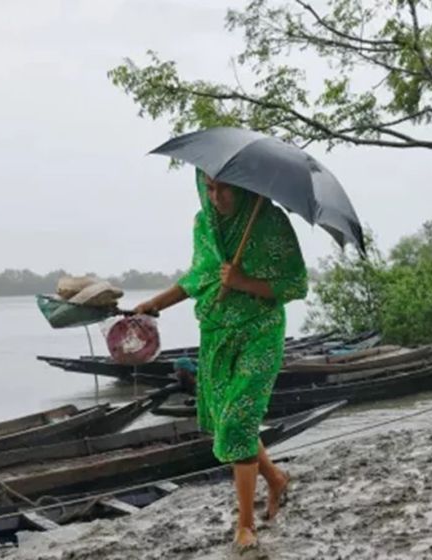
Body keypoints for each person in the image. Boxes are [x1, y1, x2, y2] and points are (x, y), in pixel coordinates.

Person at [136, 169, 308, 549]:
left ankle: (245, 525)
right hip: (216, 335)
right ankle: (277, 479)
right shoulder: (205, 223)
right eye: (210, 188)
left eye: (225, 188)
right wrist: (154, 303)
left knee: (239, 419)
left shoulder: (270, 221)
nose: (217, 198)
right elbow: (199, 276)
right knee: (230, 418)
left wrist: (244, 282)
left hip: (260, 332)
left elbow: (296, 284)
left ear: (244, 186)